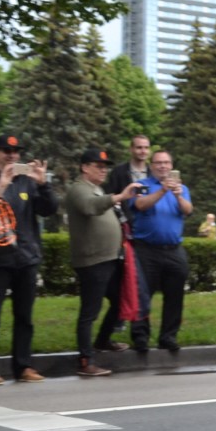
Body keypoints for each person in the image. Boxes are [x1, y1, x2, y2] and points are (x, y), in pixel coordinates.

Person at [0, 134, 58, 386]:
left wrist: (43, 184)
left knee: (24, 316)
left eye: (16, 151)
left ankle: (23, 366)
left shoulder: (27, 182)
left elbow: (48, 209)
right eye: (6, 150)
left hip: (26, 257)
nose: (12, 155)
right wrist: (1, 185)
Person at [66, 149, 142, 376]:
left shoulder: (97, 189)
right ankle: (85, 361)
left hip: (109, 258)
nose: (103, 169)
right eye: (98, 165)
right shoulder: (78, 189)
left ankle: (102, 340)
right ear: (84, 167)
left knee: (119, 302)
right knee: (90, 310)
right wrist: (119, 197)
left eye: (105, 166)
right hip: (92, 260)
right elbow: (90, 207)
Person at [129, 149, 192, 352]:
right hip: (146, 250)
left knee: (175, 295)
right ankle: (140, 336)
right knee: (142, 294)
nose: (163, 166)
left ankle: (168, 336)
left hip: (173, 249)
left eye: (166, 163)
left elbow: (188, 210)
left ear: (171, 166)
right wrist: (163, 190)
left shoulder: (181, 188)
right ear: (151, 165)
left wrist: (179, 196)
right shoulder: (143, 186)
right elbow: (140, 205)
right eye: (158, 163)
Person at [107, 134, 152, 205]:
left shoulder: (153, 173)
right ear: (131, 149)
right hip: (125, 214)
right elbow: (110, 197)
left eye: (146, 148)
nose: (143, 151)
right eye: (139, 148)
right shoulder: (118, 172)